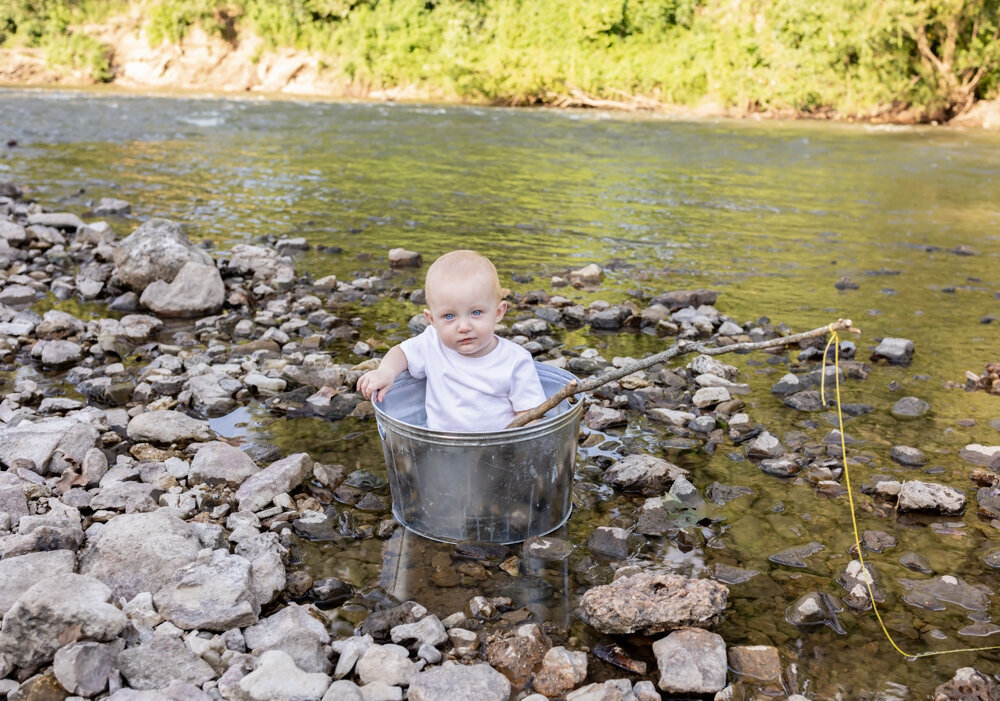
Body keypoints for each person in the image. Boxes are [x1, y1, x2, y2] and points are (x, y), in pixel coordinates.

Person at [357, 250, 547, 432]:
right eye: (449, 316)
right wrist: (386, 372)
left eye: (476, 312)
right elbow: (402, 352)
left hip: (498, 451)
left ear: (498, 312)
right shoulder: (432, 343)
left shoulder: (515, 360)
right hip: (442, 449)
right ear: (432, 320)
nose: (463, 326)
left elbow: (531, 415)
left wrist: (513, 446)